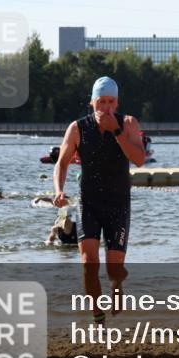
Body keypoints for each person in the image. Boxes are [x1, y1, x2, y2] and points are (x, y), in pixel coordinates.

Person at [53, 76, 146, 324]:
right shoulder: (77, 128)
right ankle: (97, 316)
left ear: (117, 103)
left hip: (118, 205)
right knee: (88, 263)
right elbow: (61, 163)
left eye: (110, 102)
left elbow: (139, 159)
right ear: (92, 102)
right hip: (89, 203)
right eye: (100, 102)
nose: (105, 107)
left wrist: (115, 131)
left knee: (113, 268)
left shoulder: (127, 124)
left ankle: (117, 285)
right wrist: (58, 190)